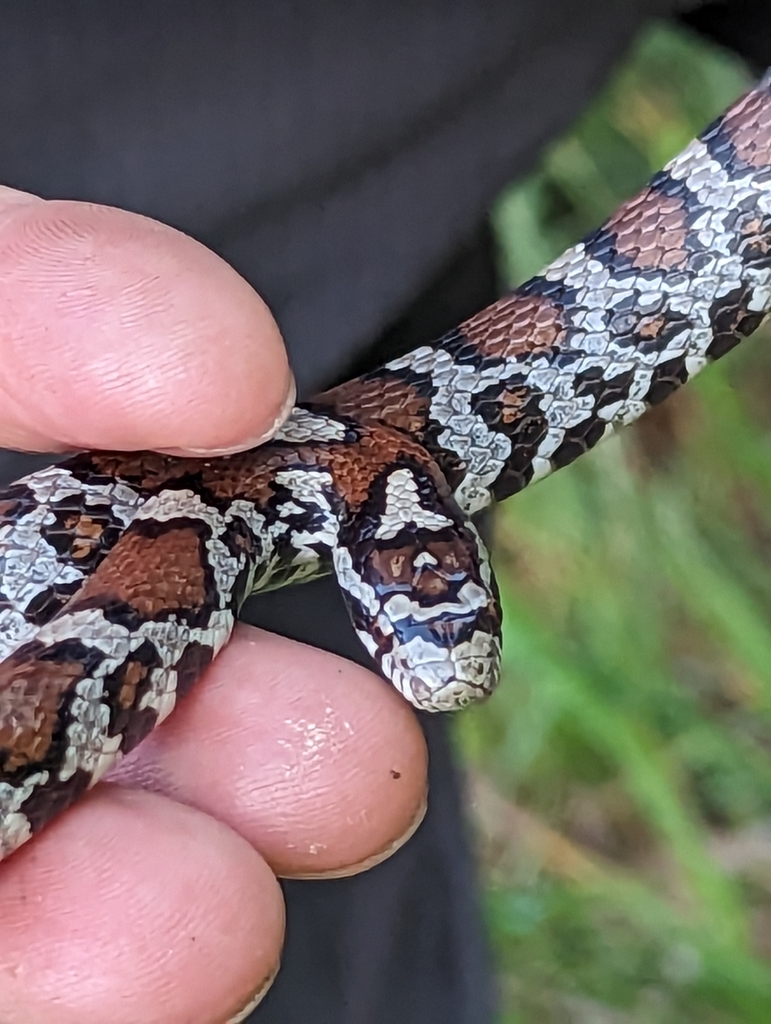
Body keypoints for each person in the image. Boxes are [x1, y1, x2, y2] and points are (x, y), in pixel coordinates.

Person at [0, 2, 768, 1021]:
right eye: (422, 622)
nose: (450, 663)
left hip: (343, 219)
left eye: (448, 622)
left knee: (276, 861)